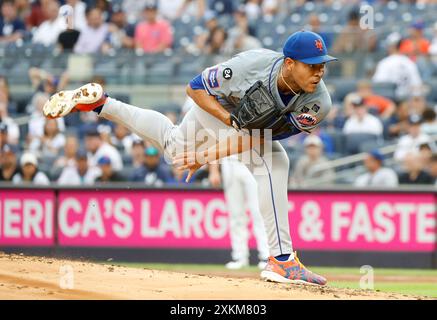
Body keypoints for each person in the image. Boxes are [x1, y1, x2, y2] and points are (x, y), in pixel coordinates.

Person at [43, 30, 338, 286]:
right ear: (289, 63)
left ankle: (102, 103)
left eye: (322, 65)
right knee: (268, 161)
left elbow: (257, 137)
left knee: (184, 148)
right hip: (215, 107)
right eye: (312, 66)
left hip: (249, 130)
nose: (319, 72)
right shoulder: (250, 65)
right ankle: (282, 259)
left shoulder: (318, 103)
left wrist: (205, 154)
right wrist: (227, 120)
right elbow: (194, 88)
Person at [210, 157, 269, 270]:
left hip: (253, 160)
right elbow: (214, 141)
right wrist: (214, 170)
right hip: (230, 163)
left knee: (258, 212)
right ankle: (239, 257)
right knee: (235, 214)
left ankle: (266, 256)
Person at [372, 32, 423, 100]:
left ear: (392, 46)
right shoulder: (410, 63)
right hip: (407, 102)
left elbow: (377, 85)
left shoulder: (385, 63)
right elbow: (417, 87)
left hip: (390, 101)